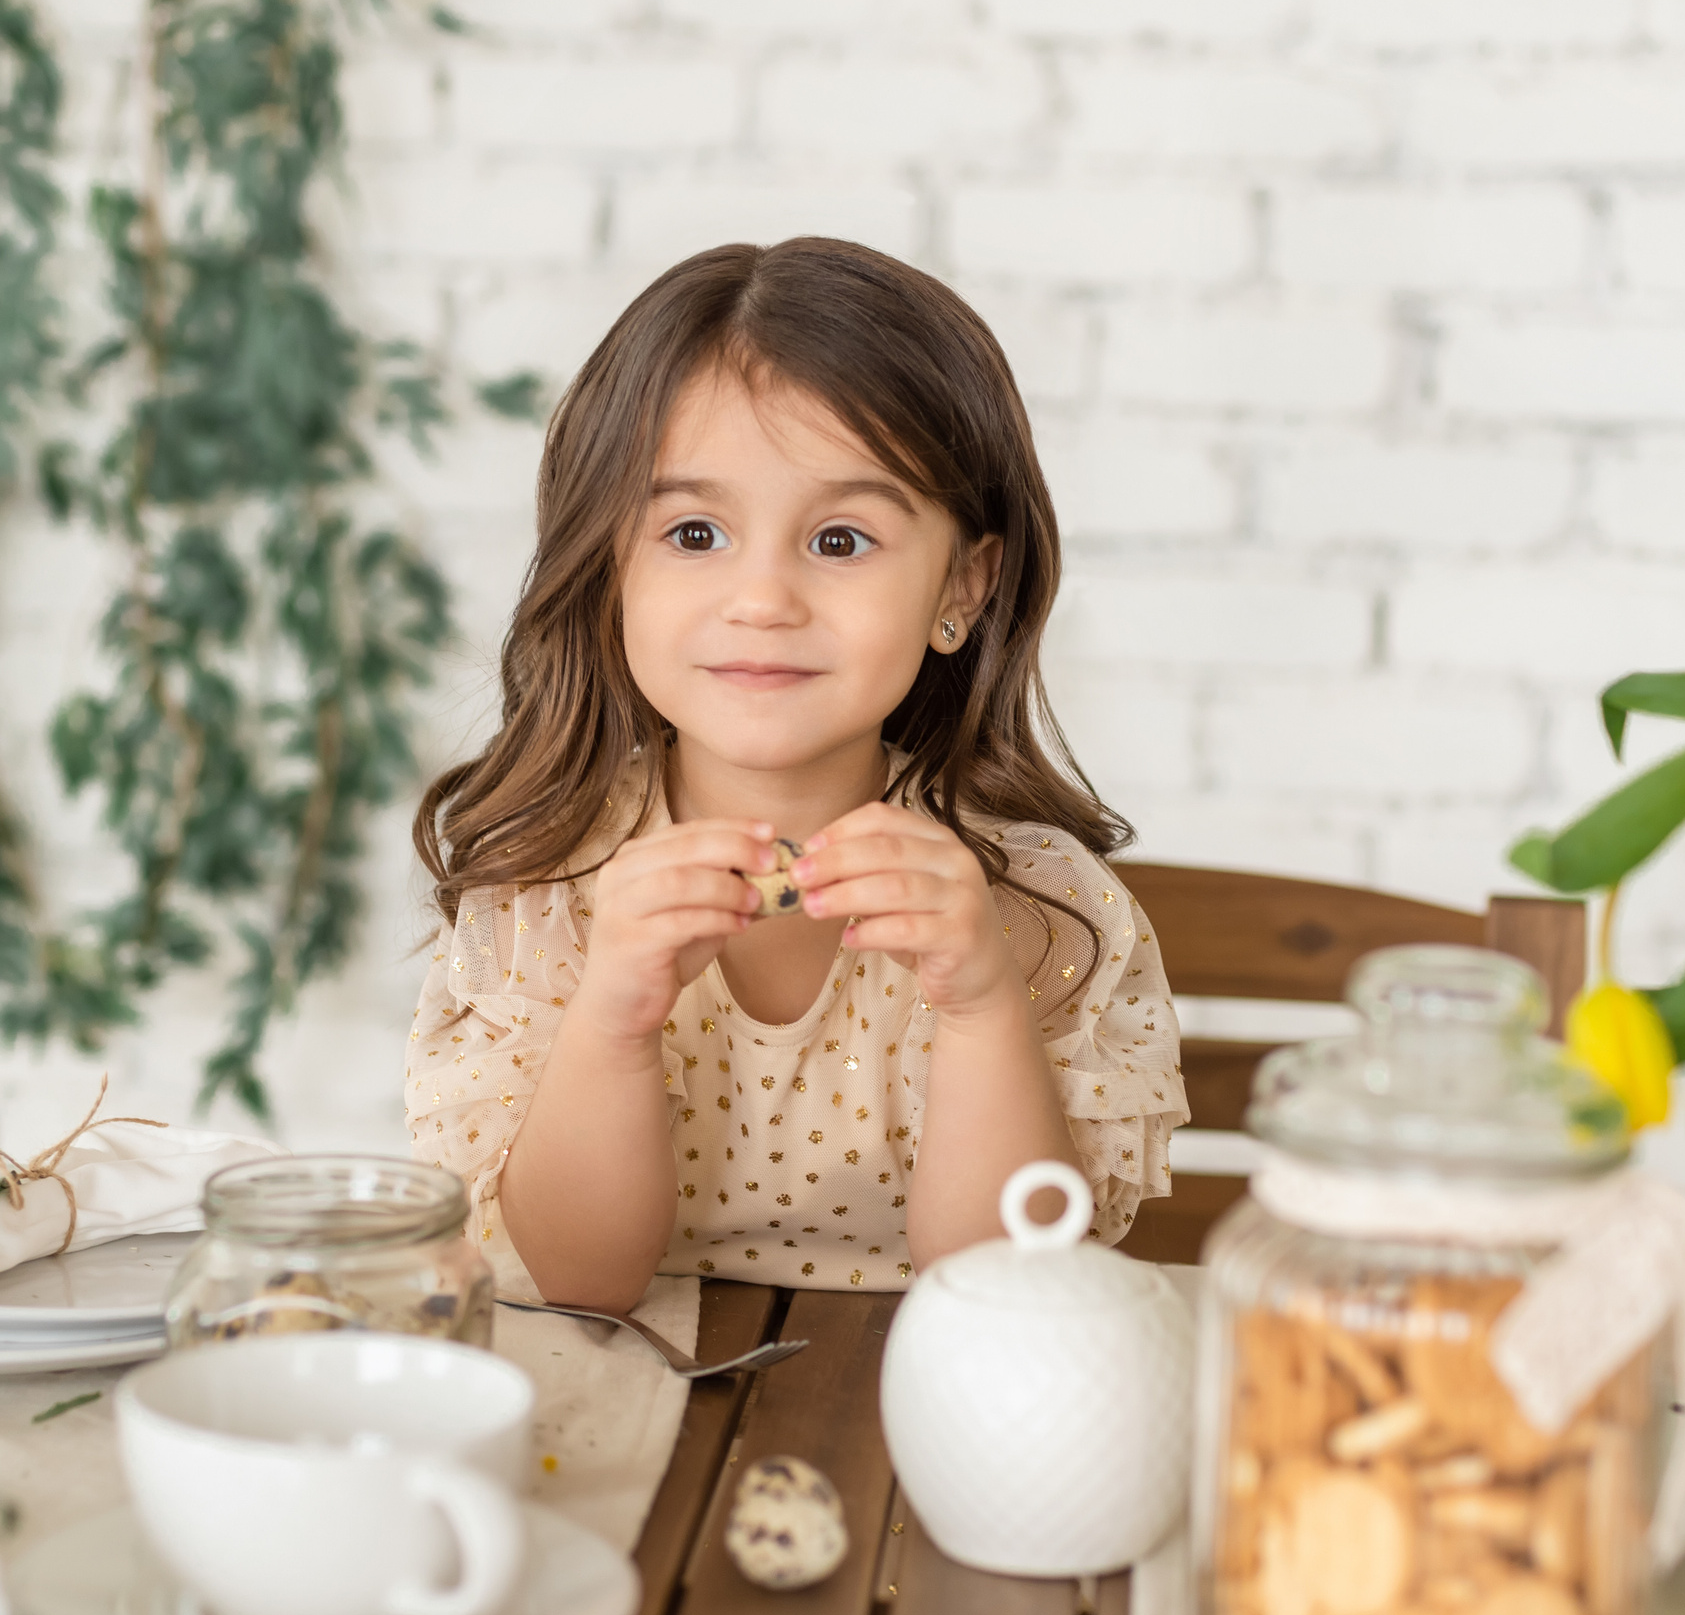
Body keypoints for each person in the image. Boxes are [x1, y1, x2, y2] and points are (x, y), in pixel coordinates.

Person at [405, 238, 1186, 1314]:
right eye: (694, 532)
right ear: (608, 569)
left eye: (838, 538)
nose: (762, 597)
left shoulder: (1039, 912)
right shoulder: (542, 895)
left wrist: (978, 1005)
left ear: (962, 581)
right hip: (622, 1419)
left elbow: (1004, 1287)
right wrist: (612, 1018)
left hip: (928, 1414)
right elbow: (580, 1282)